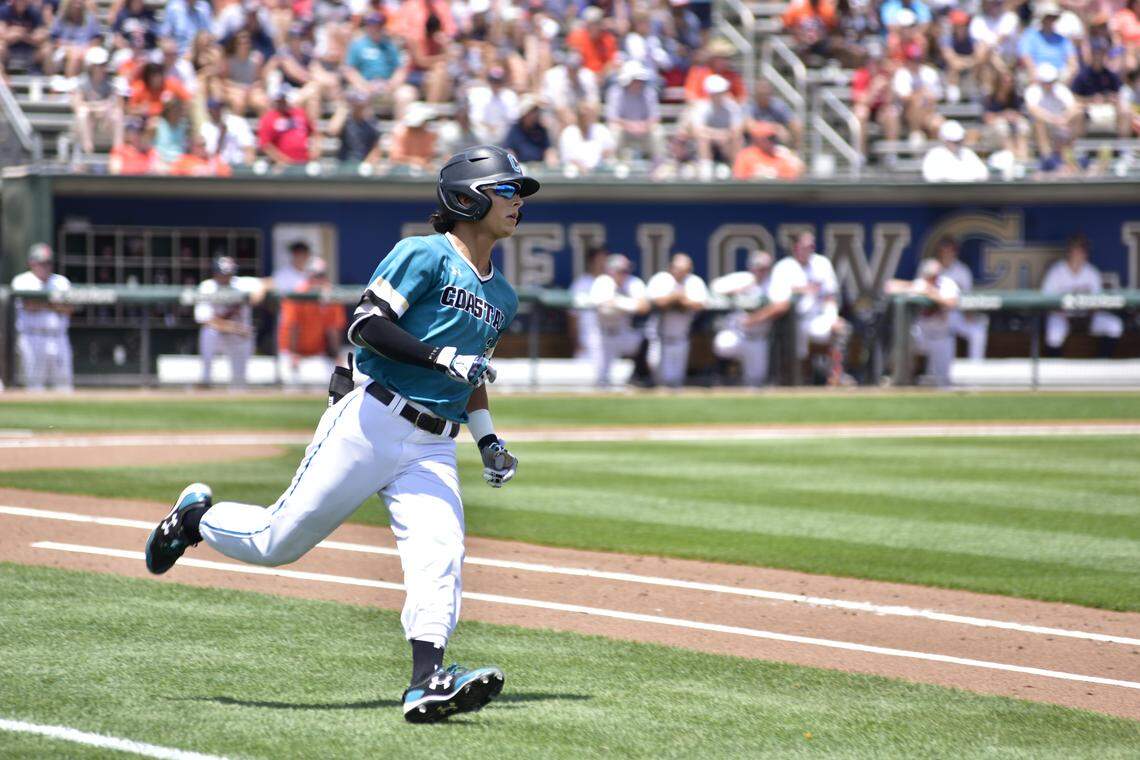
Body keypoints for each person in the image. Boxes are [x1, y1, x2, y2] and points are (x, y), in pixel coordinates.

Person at [144, 145, 537, 724]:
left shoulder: (502, 295)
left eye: (519, 192)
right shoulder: (423, 254)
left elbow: (470, 376)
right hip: (371, 418)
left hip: (433, 442)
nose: (518, 201)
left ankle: (426, 680)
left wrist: (487, 440)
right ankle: (195, 519)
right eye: (507, 190)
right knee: (277, 543)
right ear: (467, 196)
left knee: (440, 553)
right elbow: (366, 324)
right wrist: (439, 357)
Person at [767, 230, 851, 385]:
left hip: (818, 318)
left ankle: (836, 375)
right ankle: (795, 379)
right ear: (795, 247)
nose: (809, 249)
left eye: (811, 246)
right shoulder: (783, 267)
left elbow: (830, 296)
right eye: (805, 246)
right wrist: (800, 289)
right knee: (794, 343)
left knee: (841, 328)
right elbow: (777, 300)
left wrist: (832, 317)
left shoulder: (821, 263)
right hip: (793, 321)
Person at [1040, 235, 1123, 356]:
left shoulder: (1091, 272)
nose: (1079, 253)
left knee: (1114, 325)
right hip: (1062, 316)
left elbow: (1098, 300)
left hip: (1087, 318)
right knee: (1054, 334)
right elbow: (1045, 299)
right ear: (1069, 251)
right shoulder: (1056, 271)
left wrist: (1089, 314)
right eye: (1076, 249)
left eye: (1082, 250)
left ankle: (1101, 364)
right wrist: (1061, 312)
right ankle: (1056, 370)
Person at [885, 258, 960, 387]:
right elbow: (889, 286)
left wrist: (931, 294)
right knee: (905, 341)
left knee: (944, 380)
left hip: (942, 337)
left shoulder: (947, 284)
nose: (930, 278)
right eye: (928, 275)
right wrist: (911, 287)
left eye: (933, 276)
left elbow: (952, 303)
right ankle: (899, 376)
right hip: (922, 334)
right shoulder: (921, 283)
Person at [711, 250, 780, 387]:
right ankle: (722, 376)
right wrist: (735, 291)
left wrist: (754, 319)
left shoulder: (773, 284)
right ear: (751, 266)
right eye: (758, 267)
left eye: (765, 268)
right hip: (738, 333)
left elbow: (781, 305)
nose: (761, 271)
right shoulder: (742, 278)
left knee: (755, 381)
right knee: (722, 344)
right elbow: (715, 287)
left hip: (758, 337)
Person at [11, 244, 73, 391]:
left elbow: (70, 308)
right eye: (42, 263)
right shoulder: (22, 280)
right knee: (34, 387)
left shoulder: (61, 282)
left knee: (64, 388)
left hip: (58, 337)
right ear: (32, 263)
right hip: (32, 338)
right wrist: (55, 304)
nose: (46, 266)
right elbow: (29, 306)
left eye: (48, 262)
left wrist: (43, 303)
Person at [194, 255, 262, 388]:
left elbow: (267, 283)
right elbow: (205, 319)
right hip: (220, 333)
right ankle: (206, 380)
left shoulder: (242, 284)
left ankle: (239, 385)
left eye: (229, 274)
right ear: (215, 273)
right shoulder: (207, 287)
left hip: (239, 336)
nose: (226, 278)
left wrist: (258, 293)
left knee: (239, 380)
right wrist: (233, 327)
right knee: (208, 333)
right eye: (222, 274)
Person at [276, 257, 346, 386]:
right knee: (292, 386)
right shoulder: (297, 294)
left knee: (324, 386)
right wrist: (294, 354)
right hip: (291, 351)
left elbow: (333, 329)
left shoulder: (330, 295)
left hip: (317, 352)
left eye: (321, 275)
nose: (318, 279)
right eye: (314, 275)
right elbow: (293, 326)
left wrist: (336, 355)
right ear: (308, 275)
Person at [644, 253, 708, 387]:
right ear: (671, 267)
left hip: (681, 337)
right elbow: (656, 302)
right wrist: (676, 298)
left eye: (685, 269)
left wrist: (680, 301)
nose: (680, 272)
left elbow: (700, 304)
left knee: (676, 380)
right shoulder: (661, 279)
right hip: (659, 337)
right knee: (658, 375)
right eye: (677, 268)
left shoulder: (694, 281)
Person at [589, 253, 650, 387]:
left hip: (623, 332)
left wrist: (618, 302)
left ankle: (637, 376)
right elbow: (603, 306)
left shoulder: (633, 282)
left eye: (626, 270)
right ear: (611, 270)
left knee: (643, 341)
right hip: (602, 335)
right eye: (621, 271)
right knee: (601, 379)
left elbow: (644, 306)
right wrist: (628, 304)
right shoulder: (602, 281)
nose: (625, 274)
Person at [934, 236, 988, 361]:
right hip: (935, 315)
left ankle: (975, 371)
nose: (947, 254)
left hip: (956, 314)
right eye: (944, 251)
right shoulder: (930, 267)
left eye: (950, 250)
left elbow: (968, 296)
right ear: (939, 252)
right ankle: (933, 373)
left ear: (955, 252)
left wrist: (968, 314)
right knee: (942, 339)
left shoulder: (962, 270)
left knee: (977, 332)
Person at [258, 84, 317, 166]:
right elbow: (265, 144)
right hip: (282, 166)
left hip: (305, 162)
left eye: (284, 99)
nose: (283, 102)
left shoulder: (299, 113)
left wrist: (314, 150)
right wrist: (282, 160)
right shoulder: (269, 118)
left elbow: (314, 133)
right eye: (280, 100)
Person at [568, 245, 607, 363]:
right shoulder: (580, 284)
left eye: (605, 260)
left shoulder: (611, 283)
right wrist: (577, 344)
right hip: (587, 343)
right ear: (591, 261)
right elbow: (572, 318)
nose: (602, 264)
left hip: (610, 342)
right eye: (599, 260)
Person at [921, 120, 988, 182]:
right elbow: (931, 176)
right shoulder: (934, 154)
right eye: (952, 141)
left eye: (958, 141)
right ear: (944, 140)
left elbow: (983, 174)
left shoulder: (967, 153)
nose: (956, 144)